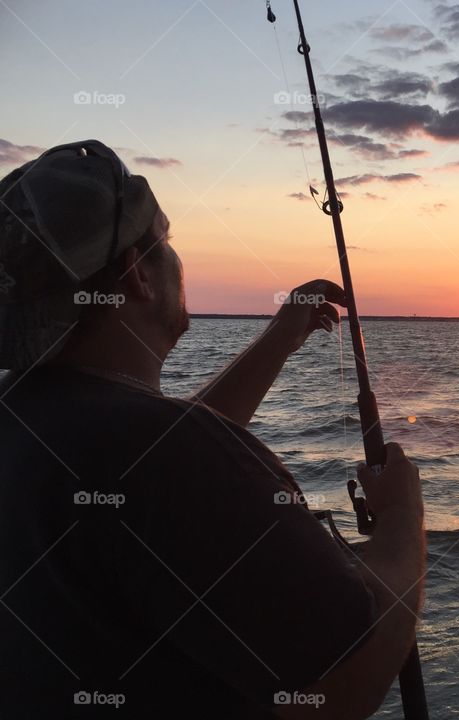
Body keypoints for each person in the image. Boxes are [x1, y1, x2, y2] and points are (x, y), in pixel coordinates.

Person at [0, 140, 425, 718]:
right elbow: (344, 683)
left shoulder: (30, 419)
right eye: (167, 241)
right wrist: (401, 516)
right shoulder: (162, 454)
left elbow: (155, 460)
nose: (178, 260)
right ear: (137, 274)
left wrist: (280, 338)